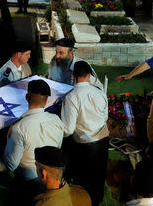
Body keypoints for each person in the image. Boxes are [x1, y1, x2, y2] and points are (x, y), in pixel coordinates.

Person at [0, 79, 65, 206]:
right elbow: (57, 149)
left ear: (27, 97)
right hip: (52, 180)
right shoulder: (56, 121)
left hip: (26, 185)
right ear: (45, 101)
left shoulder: (19, 128)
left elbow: (11, 165)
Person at [61, 61, 109, 206]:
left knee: (84, 180)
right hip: (103, 140)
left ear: (73, 75)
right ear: (89, 75)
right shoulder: (100, 93)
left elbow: (68, 130)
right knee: (99, 176)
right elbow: (105, 117)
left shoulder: (71, 97)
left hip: (84, 146)